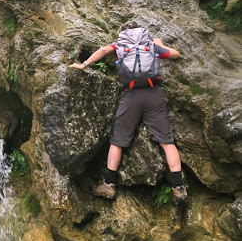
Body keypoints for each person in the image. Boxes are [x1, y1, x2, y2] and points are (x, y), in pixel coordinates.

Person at [69, 20, 188, 204]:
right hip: (153, 94)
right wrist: (160, 44)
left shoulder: (120, 45)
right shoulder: (150, 45)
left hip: (131, 95)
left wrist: (83, 64)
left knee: (117, 141)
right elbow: (175, 54)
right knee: (166, 141)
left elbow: (103, 51)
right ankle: (179, 188)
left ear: (124, 34)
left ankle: (109, 185)